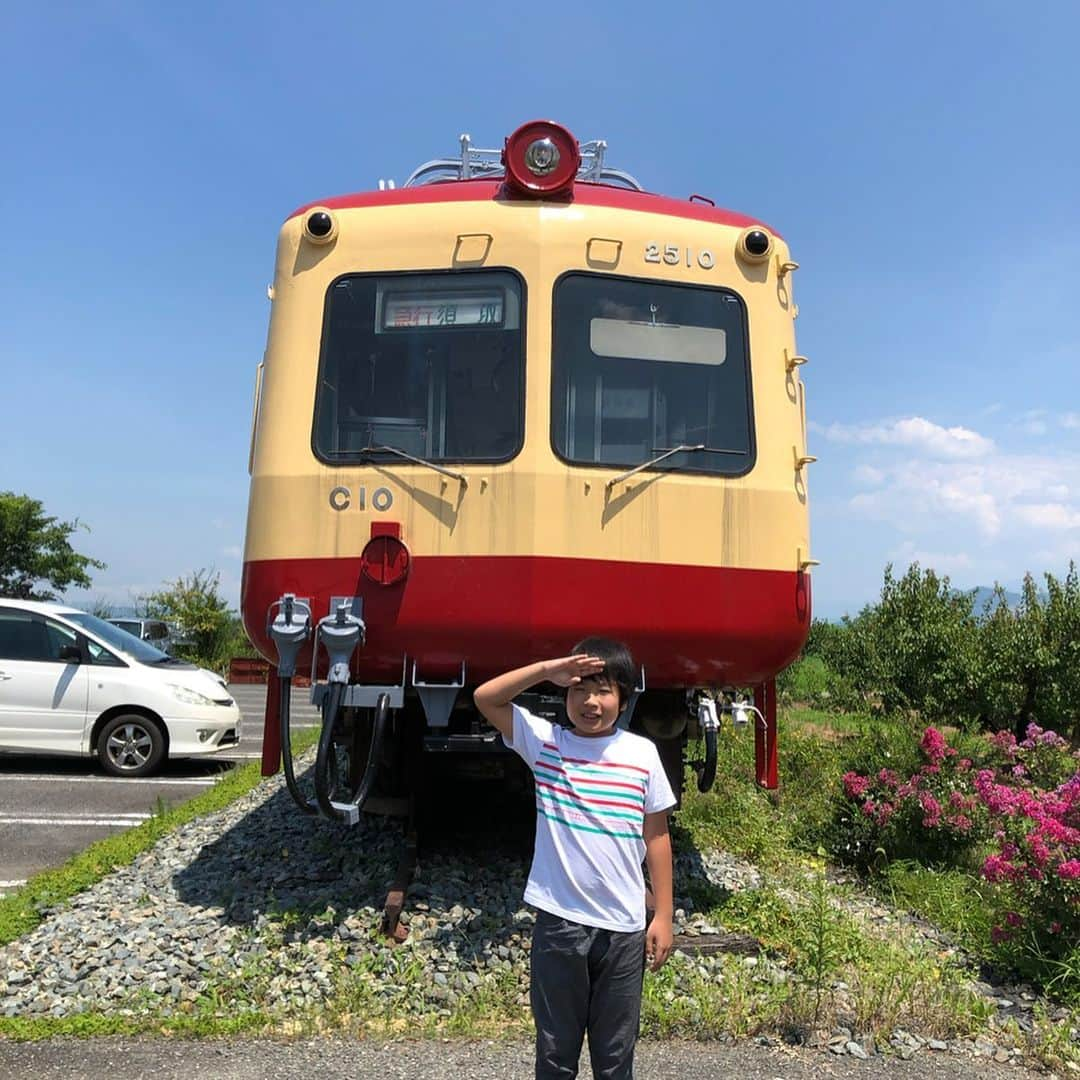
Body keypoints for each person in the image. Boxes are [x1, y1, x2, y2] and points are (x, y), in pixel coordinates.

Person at [474, 638, 676, 1080]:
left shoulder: (642, 755)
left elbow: (657, 836)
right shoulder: (548, 745)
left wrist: (662, 914)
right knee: (554, 1056)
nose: (590, 701)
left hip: (623, 931)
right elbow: (485, 697)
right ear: (564, 693)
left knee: (615, 1058)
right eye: (579, 689)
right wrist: (548, 668)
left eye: (603, 690)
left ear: (623, 697)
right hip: (560, 926)